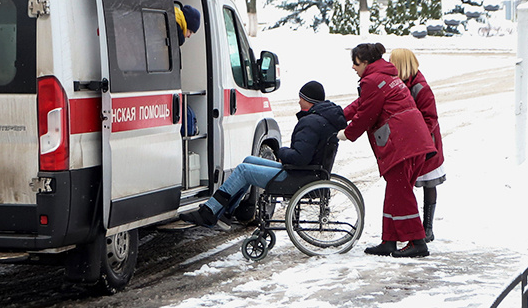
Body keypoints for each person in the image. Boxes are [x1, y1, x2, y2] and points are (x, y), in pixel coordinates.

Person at [180, 80, 346, 228]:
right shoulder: (323, 120)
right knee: (249, 160)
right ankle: (226, 213)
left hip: (298, 176)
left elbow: (300, 158)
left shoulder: (311, 122)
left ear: (308, 101)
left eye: (301, 98)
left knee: (243, 170)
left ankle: (210, 211)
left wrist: (281, 152)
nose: (298, 101)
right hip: (308, 172)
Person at [341, 43, 436, 258]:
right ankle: (389, 240)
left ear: (366, 63)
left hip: (402, 143)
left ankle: (417, 242)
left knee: (401, 193)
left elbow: (366, 114)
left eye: (356, 63)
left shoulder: (372, 80)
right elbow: (363, 104)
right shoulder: (386, 76)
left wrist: (347, 133)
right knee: (395, 192)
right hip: (412, 142)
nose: (353, 67)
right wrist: (338, 115)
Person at [388, 48, 446, 243]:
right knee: (406, 186)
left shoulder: (420, 87)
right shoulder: (398, 84)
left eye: (391, 61)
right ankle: (410, 227)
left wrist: (419, 138)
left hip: (426, 144)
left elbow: (431, 118)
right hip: (408, 144)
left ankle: (427, 227)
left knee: (429, 183)